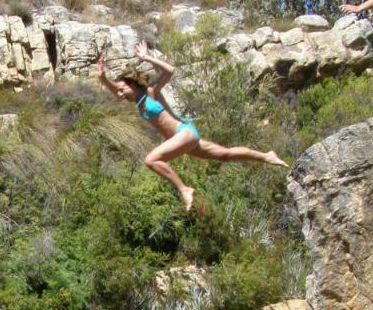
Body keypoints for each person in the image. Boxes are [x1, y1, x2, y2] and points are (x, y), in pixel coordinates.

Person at [95, 41, 288, 213]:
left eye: (123, 90)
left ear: (133, 85)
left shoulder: (151, 92)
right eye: (119, 92)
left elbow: (170, 71)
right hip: (183, 140)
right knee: (226, 154)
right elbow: (116, 89)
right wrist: (104, 79)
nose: (119, 94)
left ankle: (184, 189)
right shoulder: (138, 103)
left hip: (184, 133)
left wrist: (147, 57)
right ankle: (266, 156)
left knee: (151, 160)